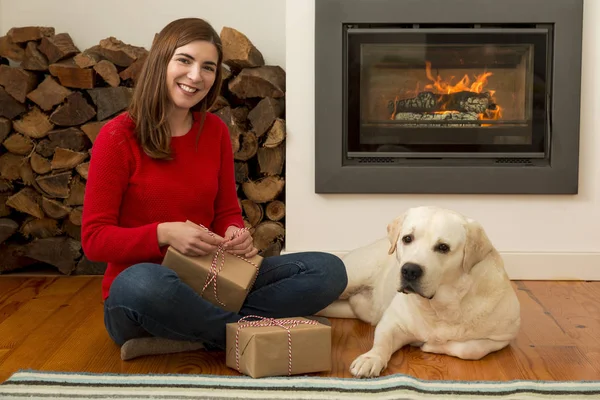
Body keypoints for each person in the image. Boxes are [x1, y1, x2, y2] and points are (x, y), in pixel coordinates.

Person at [80, 17, 347, 361]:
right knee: (142, 283)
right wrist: (164, 233)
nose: (196, 76)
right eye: (185, 61)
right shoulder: (118, 137)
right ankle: (245, 337)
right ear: (162, 60)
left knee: (328, 270)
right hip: (144, 296)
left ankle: (204, 334)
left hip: (214, 283)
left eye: (208, 67)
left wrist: (236, 231)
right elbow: (94, 240)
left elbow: (225, 211)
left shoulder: (215, 132)